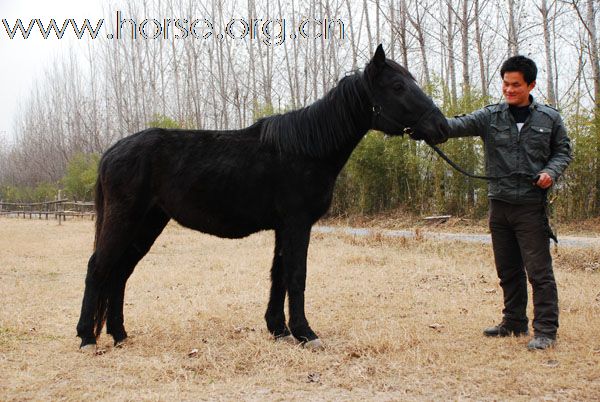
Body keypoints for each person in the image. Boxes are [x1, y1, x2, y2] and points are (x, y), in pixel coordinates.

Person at [442, 55, 572, 350]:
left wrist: (550, 173)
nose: (509, 90)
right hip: (498, 205)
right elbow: (453, 126)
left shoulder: (549, 119)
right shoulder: (490, 116)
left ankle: (545, 331)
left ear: (531, 85)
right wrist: (423, 124)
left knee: (539, 272)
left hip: (530, 206)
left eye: (516, 85)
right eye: (505, 83)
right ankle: (513, 323)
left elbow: (563, 152)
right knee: (508, 270)